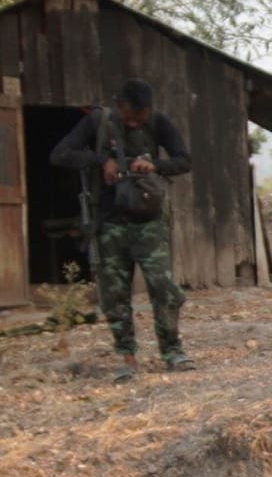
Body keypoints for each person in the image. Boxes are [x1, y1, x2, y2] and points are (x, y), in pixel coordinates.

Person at [50, 78, 194, 380]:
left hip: (149, 222)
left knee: (164, 288)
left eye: (139, 119)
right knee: (114, 296)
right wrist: (102, 161)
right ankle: (127, 358)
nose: (133, 123)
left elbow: (184, 160)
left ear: (149, 111)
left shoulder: (158, 123)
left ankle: (173, 352)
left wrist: (153, 165)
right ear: (119, 106)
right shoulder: (97, 122)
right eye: (129, 117)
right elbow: (60, 154)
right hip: (109, 223)